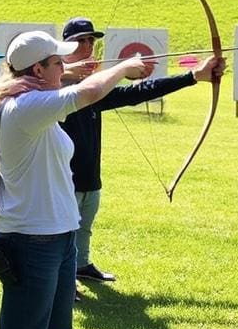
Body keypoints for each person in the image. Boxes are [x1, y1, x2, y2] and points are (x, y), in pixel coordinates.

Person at [0, 29, 148, 329]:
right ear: (38, 69)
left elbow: (73, 81)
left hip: (59, 237)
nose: (66, 65)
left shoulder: (30, 97)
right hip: (31, 242)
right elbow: (87, 93)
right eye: (57, 62)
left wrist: (72, 70)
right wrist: (124, 66)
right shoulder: (27, 106)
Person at [58, 17, 225, 286]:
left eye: (91, 40)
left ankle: (82, 265)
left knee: (84, 227)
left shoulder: (95, 88)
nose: (88, 46)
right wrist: (75, 73)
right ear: (63, 48)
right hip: (62, 176)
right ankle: (62, 281)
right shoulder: (49, 88)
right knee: (63, 233)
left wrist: (194, 76)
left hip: (89, 174)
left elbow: (137, 92)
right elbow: (23, 76)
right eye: (80, 41)